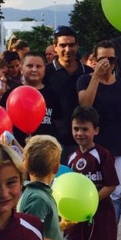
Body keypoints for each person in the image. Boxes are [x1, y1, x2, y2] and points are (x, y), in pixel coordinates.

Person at [66, 106, 121, 240]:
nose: (80, 133)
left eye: (85, 129)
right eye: (76, 129)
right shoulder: (71, 157)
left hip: (101, 213)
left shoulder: (102, 154)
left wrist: (90, 201)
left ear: (95, 131)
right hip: (77, 215)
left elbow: (111, 185)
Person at [76, 41, 121, 221]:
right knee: (94, 190)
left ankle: (111, 236)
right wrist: (96, 77)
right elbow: (85, 105)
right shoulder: (85, 80)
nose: (107, 63)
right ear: (94, 60)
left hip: (120, 144)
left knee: (115, 193)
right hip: (96, 146)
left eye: (110, 59)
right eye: (102, 59)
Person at [2, 54, 64, 144]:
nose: (34, 69)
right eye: (29, 66)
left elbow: (58, 121)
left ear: (44, 70)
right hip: (18, 149)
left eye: (38, 66)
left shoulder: (52, 95)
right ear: (22, 69)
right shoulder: (11, 94)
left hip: (46, 149)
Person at [43, 26, 84, 156]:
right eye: (63, 45)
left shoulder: (88, 73)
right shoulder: (45, 73)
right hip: (53, 141)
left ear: (77, 46)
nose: (68, 49)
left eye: (72, 45)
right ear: (55, 47)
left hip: (82, 140)